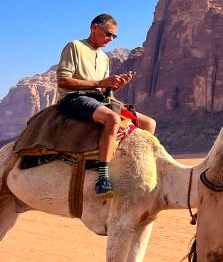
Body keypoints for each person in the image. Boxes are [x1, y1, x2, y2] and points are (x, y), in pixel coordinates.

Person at [56, 13, 156, 197]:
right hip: (74, 98)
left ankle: (135, 168)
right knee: (112, 118)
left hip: (98, 98)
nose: (110, 39)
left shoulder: (104, 58)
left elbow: (104, 92)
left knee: (149, 123)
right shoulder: (74, 46)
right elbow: (63, 82)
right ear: (94, 27)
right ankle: (103, 177)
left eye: (114, 36)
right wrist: (101, 83)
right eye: (108, 34)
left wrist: (115, 86)